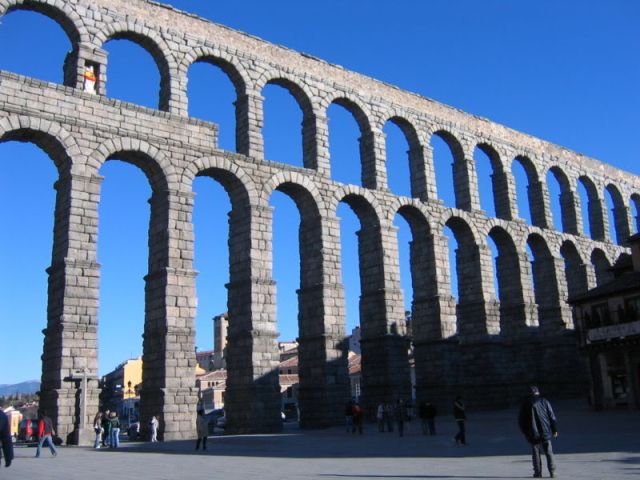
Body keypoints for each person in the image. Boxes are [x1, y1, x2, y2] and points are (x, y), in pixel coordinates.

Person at [518, 386, 558, 478]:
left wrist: (525, 431)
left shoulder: (525, 403)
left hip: (533, 432)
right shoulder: (545, 401)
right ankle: (552, 472)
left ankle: (537, 473)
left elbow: (521, 420)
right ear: (538, 392)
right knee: (549, 452)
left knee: (536, 453)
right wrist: (554, 429)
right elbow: (552, 416)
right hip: (545, 431)